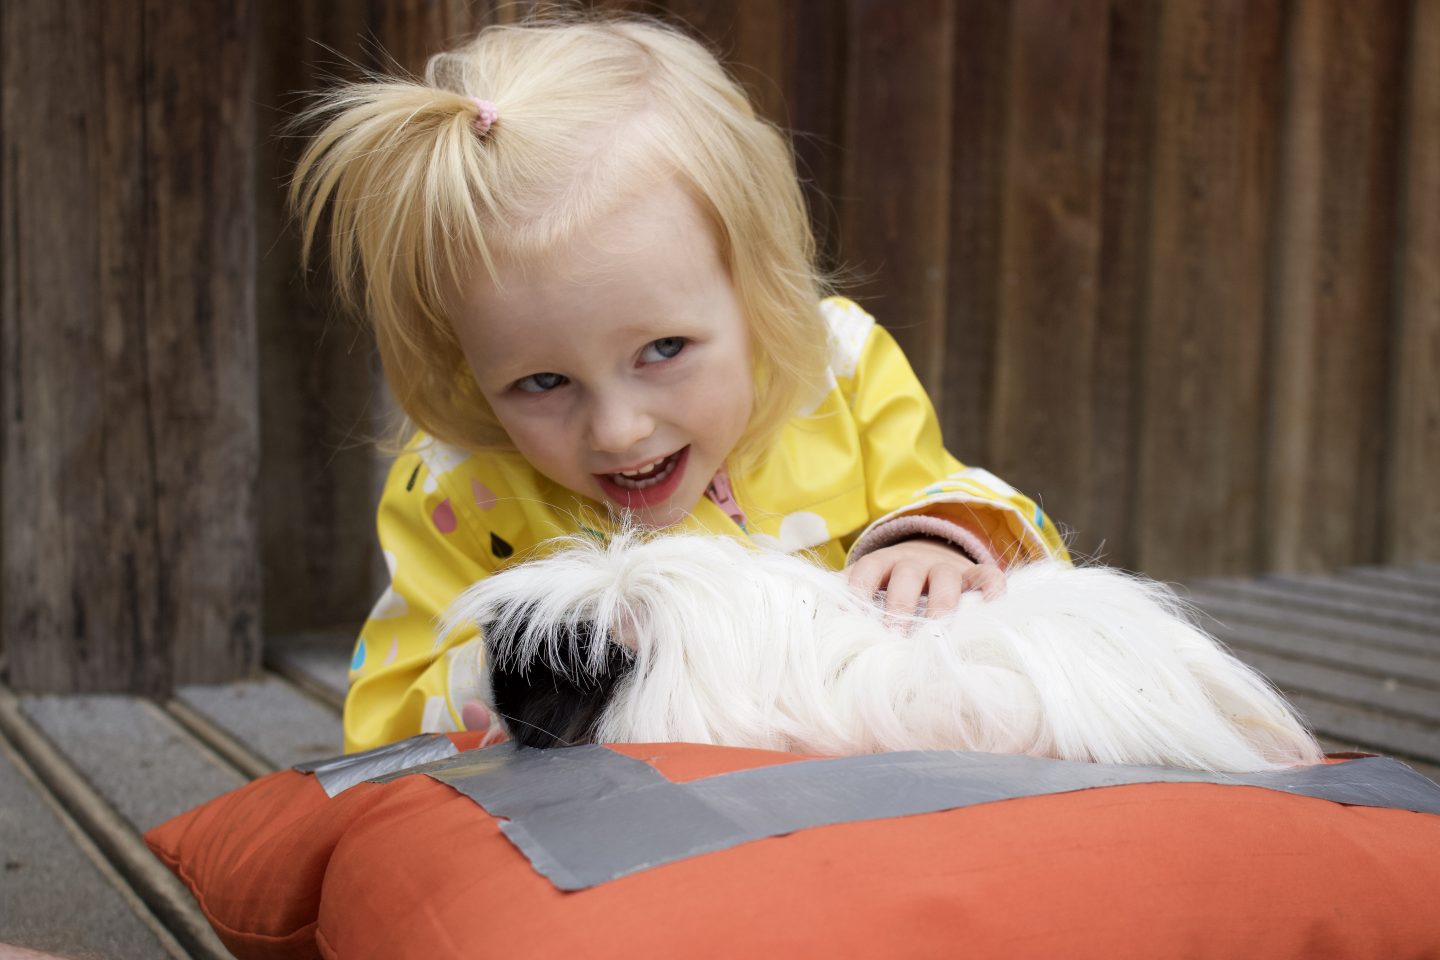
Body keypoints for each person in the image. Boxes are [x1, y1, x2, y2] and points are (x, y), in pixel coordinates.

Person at [290, 14, 1070, 753]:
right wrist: (544, 659)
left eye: (663, 348)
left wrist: (935, 539)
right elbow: (387, 719)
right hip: (644, 830)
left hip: (862, 780)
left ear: (756, 289)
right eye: (543, 380)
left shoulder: (832, 372)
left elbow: (966, 507)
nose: (618, 429)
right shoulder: (462, 486)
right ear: (465, 363)